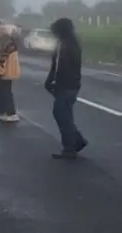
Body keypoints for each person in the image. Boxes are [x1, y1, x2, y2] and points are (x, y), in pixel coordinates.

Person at [45, 18, 88, 159]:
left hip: (67, 86)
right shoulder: (66, 43)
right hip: (67, 85)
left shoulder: (68, 46)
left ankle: (70, 148)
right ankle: (76, 141)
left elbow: (63, 68)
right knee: (64, 115)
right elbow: (56, 66)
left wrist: (55, 82)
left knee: (62, 115)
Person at [0, 22, 21, 122]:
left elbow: (2, 59)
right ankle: (1, 112)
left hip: (6, 72)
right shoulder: (7, 42)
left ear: (2, 33)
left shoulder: (4, 43)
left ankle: (11, 113)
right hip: (8, 71)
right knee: (1, 91)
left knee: (5, 92)